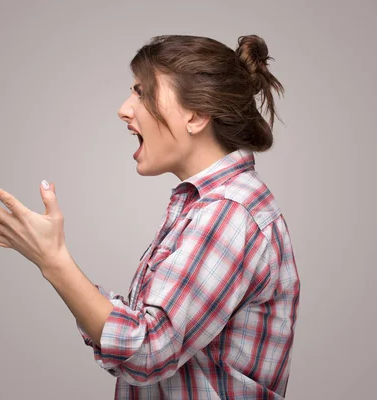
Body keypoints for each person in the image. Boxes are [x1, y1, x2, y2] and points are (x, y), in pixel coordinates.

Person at [75, 34, 301, 399]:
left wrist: (52, 260)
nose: (124, 108)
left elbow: (146, 351)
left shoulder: (228, 213)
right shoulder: (207, 206)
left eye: (142, 92)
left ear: (195, 116)